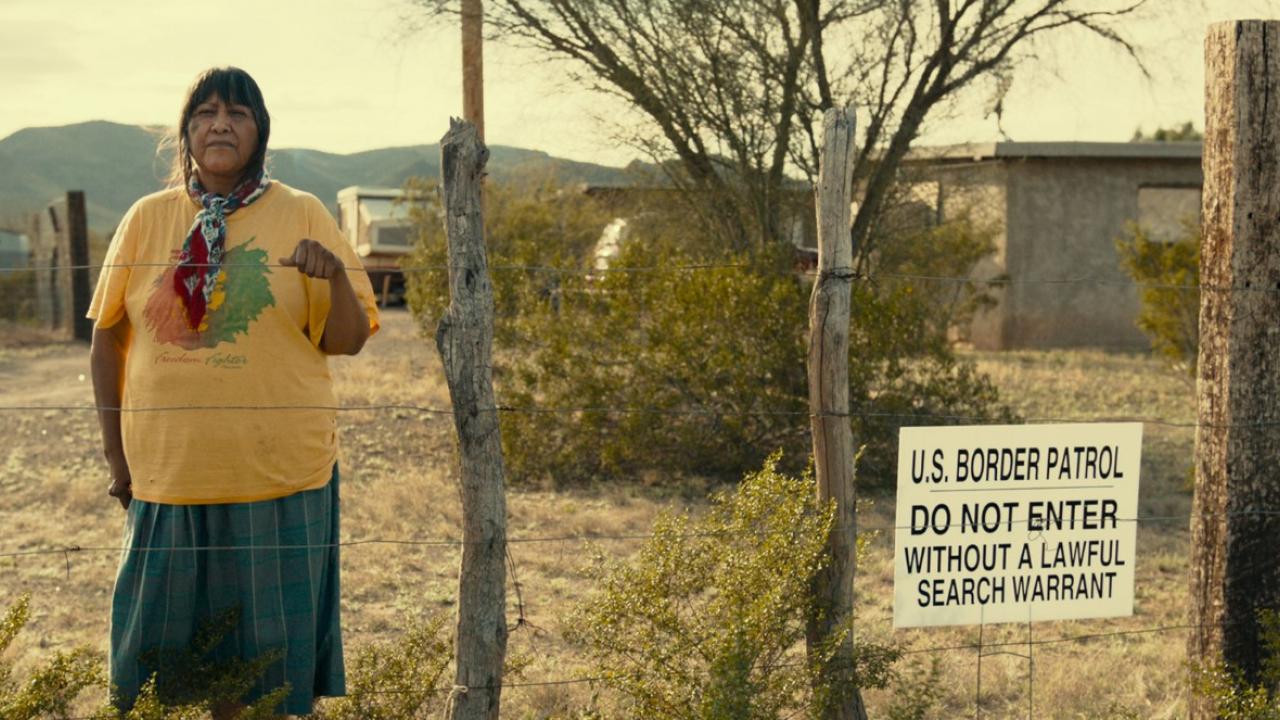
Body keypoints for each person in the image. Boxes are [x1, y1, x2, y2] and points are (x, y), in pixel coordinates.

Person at [88, 66, 379, 717]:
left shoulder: (300, 213)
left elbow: (348, 339)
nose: (221, 123)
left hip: (278, 479)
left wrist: (331, 277)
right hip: (171, 479)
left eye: (238, 113)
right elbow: (107, 341)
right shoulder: (146, 220)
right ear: (187, 132)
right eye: (206, 112)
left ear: (260, 131)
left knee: (264, 687)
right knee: (160, 683)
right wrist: (118, 462)